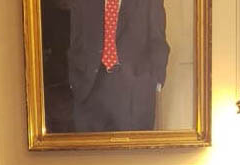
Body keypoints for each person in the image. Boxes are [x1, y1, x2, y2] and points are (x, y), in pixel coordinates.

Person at [66, 0, 170, 132]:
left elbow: (158, 42)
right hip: (89, 90)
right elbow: (76, 40)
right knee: (91, 151)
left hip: (133, 92)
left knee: (132, 151)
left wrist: (153, 82)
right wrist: (74, 80)